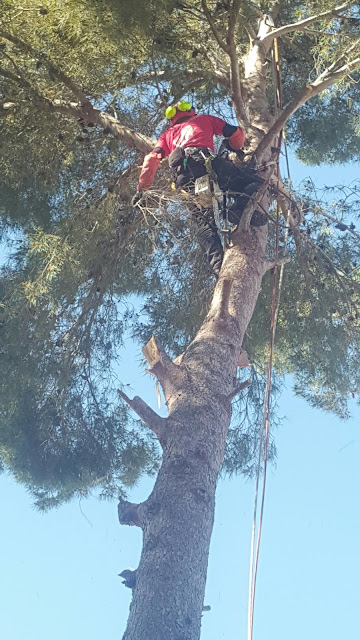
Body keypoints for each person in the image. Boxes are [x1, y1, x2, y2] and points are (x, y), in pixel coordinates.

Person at [132, 101, 266, 275]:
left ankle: (218, 268)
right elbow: (236, 134)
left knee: (203, 224)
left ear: (172, 119)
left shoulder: (167, 135)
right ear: (192, 111)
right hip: (207, 163)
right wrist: (235, 147)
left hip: (183, 179)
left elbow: (152, 158)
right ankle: (239, 210)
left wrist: (142, 188)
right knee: (251, 182)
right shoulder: (204, 119)